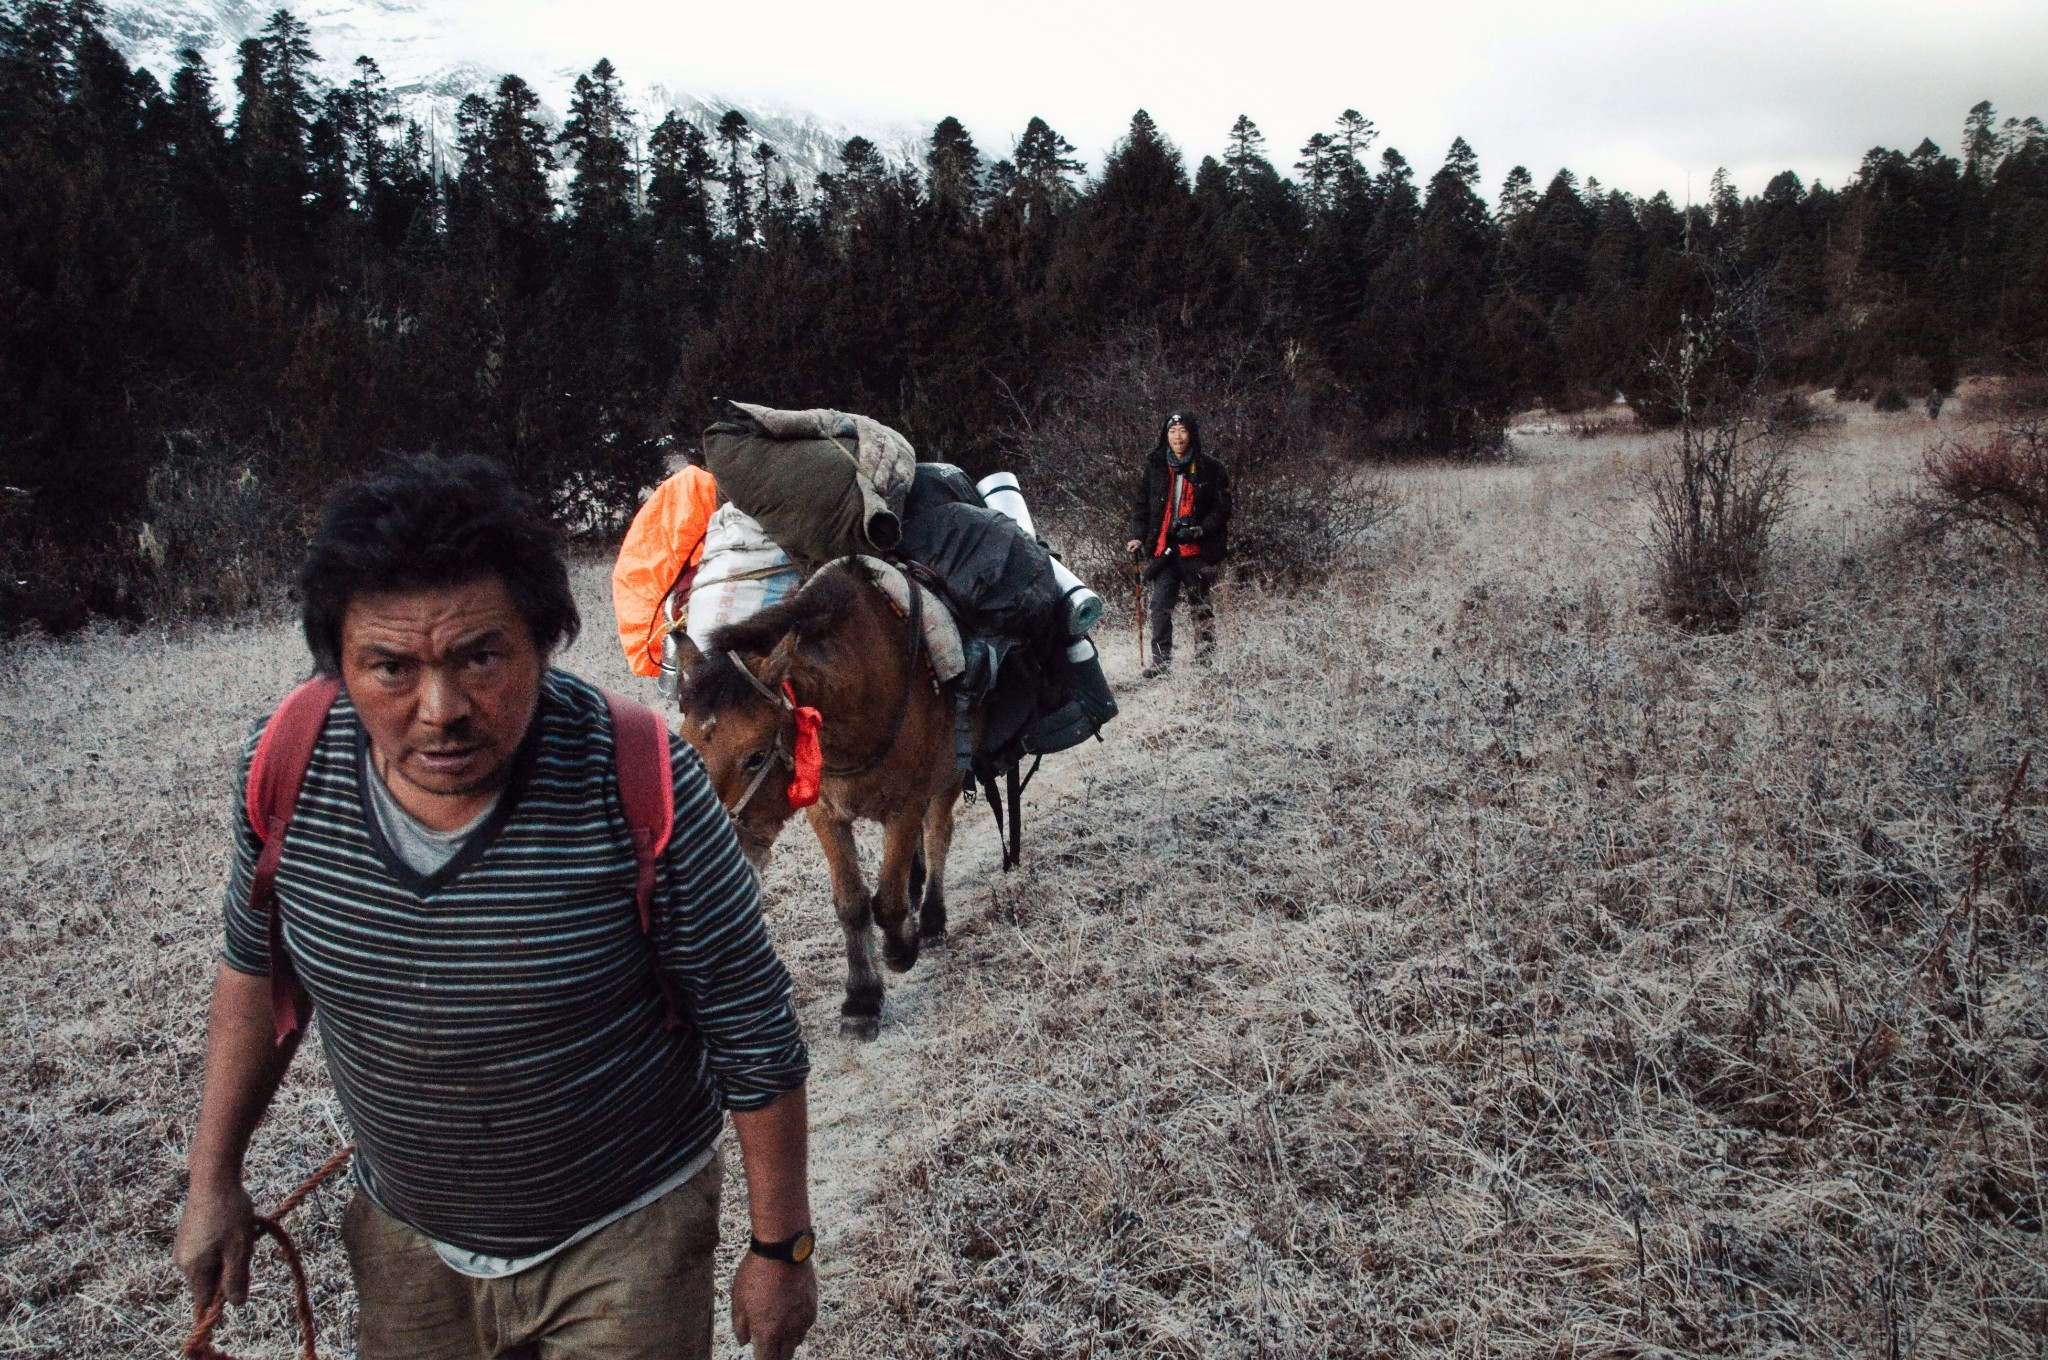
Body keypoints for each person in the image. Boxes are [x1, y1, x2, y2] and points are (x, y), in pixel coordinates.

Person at [173, 455, 818, 1360]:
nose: (440, 710)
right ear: (338, 666)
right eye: (390, 667)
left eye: (480, 657)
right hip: (407, 1240)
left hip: (629, 1233)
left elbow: (751, 1021)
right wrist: (213, 1182)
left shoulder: (637, 779)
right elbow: (258, 977)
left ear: (543, 642)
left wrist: (780, 1246)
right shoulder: (286, 770)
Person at [1126, 411, 1232, 677]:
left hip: (1196, 549)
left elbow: (1222, 510)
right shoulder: (1156, 465)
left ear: (1192, 434)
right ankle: (1161, 664)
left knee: (1200, 605)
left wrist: (1199, 530)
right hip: (1165, 548)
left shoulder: (1212, 468)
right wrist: (1138, 536)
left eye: (1183, 431)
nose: (1178, 437)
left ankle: (1206, 660)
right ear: (1165, 435)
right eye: (1172, 432)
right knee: (1160, 606)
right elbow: (1142, 506)